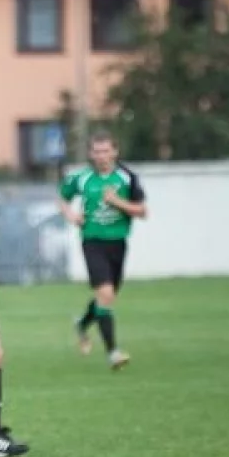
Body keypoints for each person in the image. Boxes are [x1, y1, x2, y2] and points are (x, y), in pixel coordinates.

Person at [60, 131, 148, 369]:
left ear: (115, 151)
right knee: (106, 294)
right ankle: (113, 352)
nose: (101, 156)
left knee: (105, 298)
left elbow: (142, 211)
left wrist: (118, 202)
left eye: (106, 151)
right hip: (93, 242)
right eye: (97, 151)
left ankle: (82, 323)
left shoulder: (127, 177)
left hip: (118, 243)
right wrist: (72, 215)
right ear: (91, 153)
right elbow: (62, 198)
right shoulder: (81, 177)